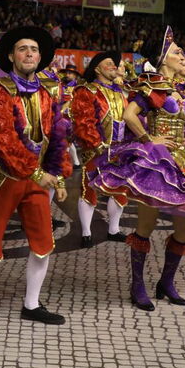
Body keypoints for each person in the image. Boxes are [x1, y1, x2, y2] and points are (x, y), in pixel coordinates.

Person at [87, 28, 185, 309]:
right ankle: (137, 285)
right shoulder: (151, 86)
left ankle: (166, 282)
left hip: (184, 160)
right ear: (163, 59)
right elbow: (129, 115)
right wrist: (147, 138)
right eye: (177, 52)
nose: (183, 56)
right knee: (146, 224)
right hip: (155, 162)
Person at [0, 26, 71, 339]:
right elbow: (4, 138)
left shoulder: (49, 89)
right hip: (5, 178)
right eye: (23, 49)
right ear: (11, 55)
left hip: (37, 179)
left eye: (34, 50)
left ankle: (31, 303)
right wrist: (39, 173)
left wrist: (59, 172)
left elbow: (59, 133)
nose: (29, 54)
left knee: (42, 245)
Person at [70, 51, 129, 247]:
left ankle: (114, 229)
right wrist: (97, 145)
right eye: (110, 63)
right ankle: (86, 232)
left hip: (119, 150)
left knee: (120, 191)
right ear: (97, 68)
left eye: (115, 64)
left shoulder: (121, 92)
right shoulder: (87, 91)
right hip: (96, 150)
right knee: (90, 190)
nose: (114, 66)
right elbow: (83, 122)